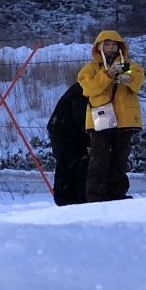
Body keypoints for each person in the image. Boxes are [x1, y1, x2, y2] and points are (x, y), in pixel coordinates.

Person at [77, 29, 143, 202]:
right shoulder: (91, 68)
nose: (111, 47)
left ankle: (118, 194)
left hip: (125, 120)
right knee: (99, 159)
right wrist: (107, 75)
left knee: (120, 159)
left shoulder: (126, 65)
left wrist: (128, 79)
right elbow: (88, 88)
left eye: (114, 44)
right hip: (100, 120)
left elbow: (137, 76)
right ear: (99, 47)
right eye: (107, 44)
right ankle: (96, 197)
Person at [46, 78, 90, 206]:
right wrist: (88, 143)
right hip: (64, 130)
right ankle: (66, 198)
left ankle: (71, 197)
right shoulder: (84, 91)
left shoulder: (83, 88)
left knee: (71, 162)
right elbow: (81, 118)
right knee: (69, 162)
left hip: (65, 128)